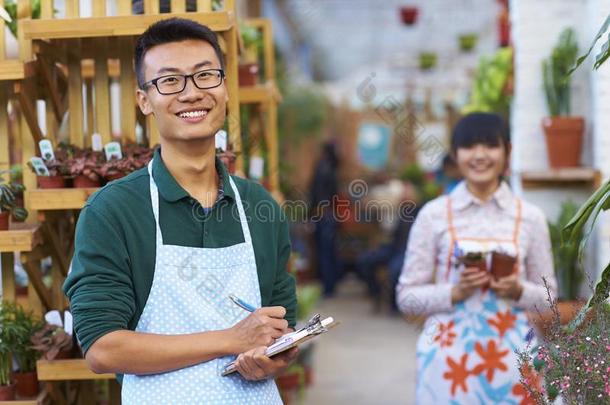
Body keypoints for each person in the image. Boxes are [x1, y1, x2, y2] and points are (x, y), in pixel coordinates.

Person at [63, 18, 297, 404]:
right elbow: (103, 348)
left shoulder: (259, 207)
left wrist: (275, 357)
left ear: (224, 89)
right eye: (170, 81)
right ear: (144, 101)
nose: (191, 93)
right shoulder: (114, 211)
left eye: (206, 75)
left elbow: (279, 328)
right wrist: (230, 340)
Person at [396, 112, 557, 403]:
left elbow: (549, 300)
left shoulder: (530, 217)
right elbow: (406, 297)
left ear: (508, 152)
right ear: (456, 155)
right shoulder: (433, 215)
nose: (480, 155)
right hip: (448, 366)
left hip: (516, 365)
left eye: (490, 146)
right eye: (469, 146)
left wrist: (516, 289)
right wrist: (455, 291)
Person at [309, 141, 340, 297]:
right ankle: (330, 285)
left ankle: (327, 288)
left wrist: (311, 214)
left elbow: (315, 193)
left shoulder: (322, 168)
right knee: (329, 251)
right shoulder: (332, 168)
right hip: (330, 214)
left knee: (324, 252)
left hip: (322, 215)